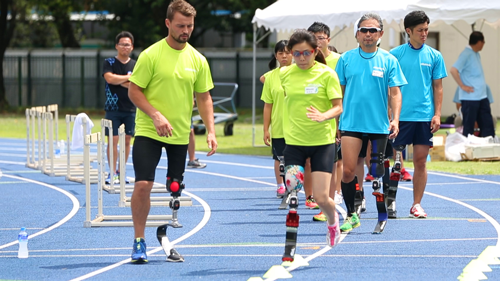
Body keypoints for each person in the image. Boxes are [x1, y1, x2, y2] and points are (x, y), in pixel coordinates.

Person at [127, 0, 217, 264]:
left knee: (175, 188)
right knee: (143, 184)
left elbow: (204, 97)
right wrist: (155, 115)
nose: (185, 30)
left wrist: (210, 131)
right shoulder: (151, 55)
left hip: (178, 135)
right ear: (168, 23)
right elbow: (134, 91)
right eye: (180, 25)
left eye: (189, 25)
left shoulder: (197, 59)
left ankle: (166, 226)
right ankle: (139, 241)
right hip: (148, 131)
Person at [335, 13, 406, 233]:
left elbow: (395, 93)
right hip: (351, 124)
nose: (368, 34)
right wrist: (335, 121)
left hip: (377, 125)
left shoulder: (388, 60)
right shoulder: (346, 59)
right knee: (347, 172)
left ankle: (382, 210)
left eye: (373, 30)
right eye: (364, 30)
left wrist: (395, 119)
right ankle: (351, 213)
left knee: (376, 169)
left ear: (380, 34)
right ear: (357, 34)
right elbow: (338, 92)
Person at [280, 29, 343, 246]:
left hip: (322, 143)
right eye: (296, 54)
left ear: (315, 52)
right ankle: (291, 240)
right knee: (292, 184)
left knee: (321, 198)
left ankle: (333, 221)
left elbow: (338, 107)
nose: (302, 58)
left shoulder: (327, 74)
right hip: (295, 142)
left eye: (306, 53)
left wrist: (323, 116)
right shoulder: (285, 74)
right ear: (290, 53)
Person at [390, 11, 447, 218]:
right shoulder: (395, 55)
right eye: (420, 30)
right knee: (395, 161)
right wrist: (390, 113)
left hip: (423, 117)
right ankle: (391, 201)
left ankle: (416, 204)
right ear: (408, 31)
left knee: (421, 161)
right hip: (401, 117)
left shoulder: (435, 56)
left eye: (426, 29)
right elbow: (390, 87)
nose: (425, 33)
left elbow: (438, 87)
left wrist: (437, 114)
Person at [307, 22, 342, 221]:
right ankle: (323, 199)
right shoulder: (306, 62)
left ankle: (333, 197)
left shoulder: (340, 60)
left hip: (337, 115)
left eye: (321, 38)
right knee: (319, 162)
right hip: (315, 118)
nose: (318, 42)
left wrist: (338, 122)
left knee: (336, 162)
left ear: (328, 39)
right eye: (314, 38)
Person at [103, 31, 137, 184]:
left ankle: (121, 171)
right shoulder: (109, 62)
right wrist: (127, 78)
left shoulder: (135, 65)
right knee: (113, 140)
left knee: (127, 140)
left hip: (130, 107)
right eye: (122, 44)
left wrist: (120, 80)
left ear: (132, 47)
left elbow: (136, 84)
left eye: (128, 44)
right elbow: (109, 78)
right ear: (117, 46)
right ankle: (112, 173)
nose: (125, 47)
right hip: (113, 108)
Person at [261, 40, 293, 197]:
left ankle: (294, 185)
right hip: (279, 125)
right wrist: (266, 129)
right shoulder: (271, 77)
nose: (284, 56)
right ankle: (280, 184)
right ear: (276, 56)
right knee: (279, 158)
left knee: (296, 159)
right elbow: (268, 105)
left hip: (297, 125)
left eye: (287, 52)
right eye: (281, 53)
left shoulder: (299, 73)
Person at [450, 31, 495, 138]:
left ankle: (488, 145)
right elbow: (453, 70)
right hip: (470, 98)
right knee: (469, 127)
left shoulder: (476, 54)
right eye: (483, 42)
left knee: (487, 124)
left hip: (482, 96)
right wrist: (462, 85)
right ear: (479, 42)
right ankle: (468, 149)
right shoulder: (466, 54)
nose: (484, 44)